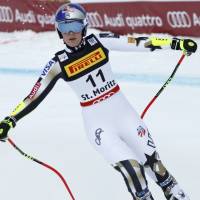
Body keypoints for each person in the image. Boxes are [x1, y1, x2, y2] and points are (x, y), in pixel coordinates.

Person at [0, 3, 197, 200]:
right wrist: (11, 120)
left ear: (84, 26)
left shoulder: (100, 41)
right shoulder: (58, 64)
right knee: (133, 172)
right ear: (58, 31)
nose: (70, 33)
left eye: (75, 26)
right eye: (64, 28)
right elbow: (33, 95)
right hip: (99, 125)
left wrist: (175, 43)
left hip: (124, 115)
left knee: (157, 168)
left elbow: (139, 42)